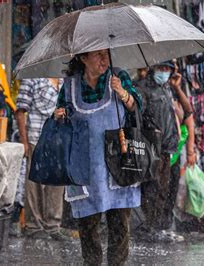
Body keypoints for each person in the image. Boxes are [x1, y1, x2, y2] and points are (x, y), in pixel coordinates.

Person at [54, 49, 141, 265]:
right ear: (83, 58)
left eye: (107, 54)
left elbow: (137, 109)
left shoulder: (118, 76)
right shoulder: (71, 86)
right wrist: (58, 116)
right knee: (87, 225)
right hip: (85, 167)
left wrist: (123, 94)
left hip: (117, 164)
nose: (105, 59)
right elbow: (60, 116)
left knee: (119, 223)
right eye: (98, 55)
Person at [134, 61, 196, 241]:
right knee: (151, 188)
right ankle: (149, 226)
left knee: (163, 188)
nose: (164, 72)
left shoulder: (167, 88)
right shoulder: (143, 88)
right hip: (152, 147)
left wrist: (177, 88)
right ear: (154, 68)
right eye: (162, 68)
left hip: (168, 147)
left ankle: (156, 226)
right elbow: (138, 116)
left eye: (168, 69)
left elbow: (187, 112)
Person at [15, 77, 70, 241]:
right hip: (36, 137)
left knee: (57, 184)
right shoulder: (32, 79)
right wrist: (24, 142)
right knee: (34, 183)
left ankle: (53, 225)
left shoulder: (63, 81)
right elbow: (20, 111)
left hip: (59, 138)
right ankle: (33, 225)